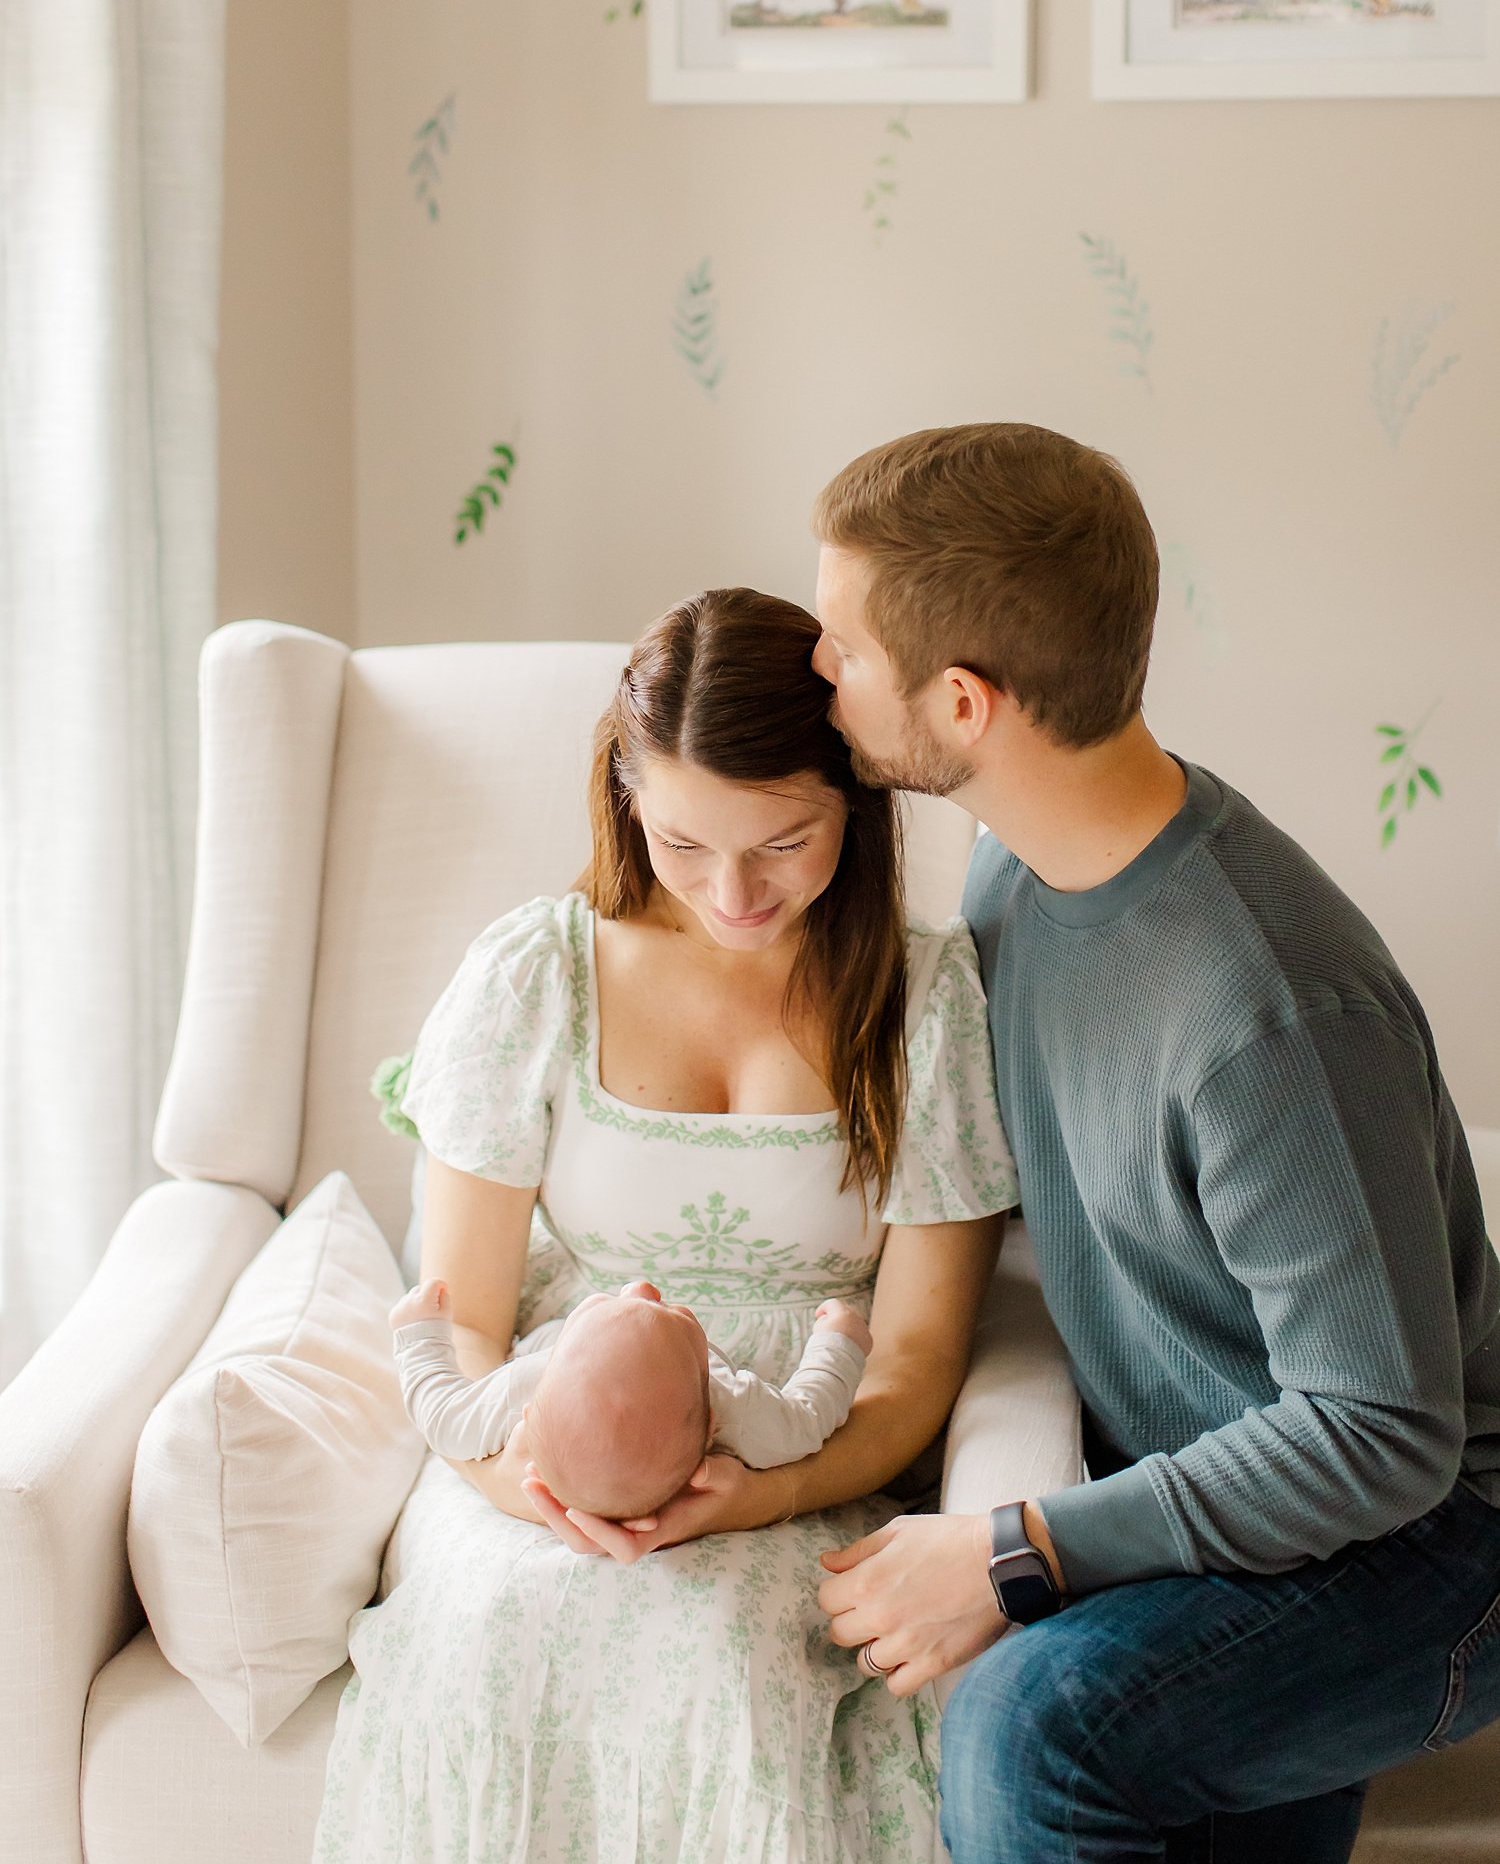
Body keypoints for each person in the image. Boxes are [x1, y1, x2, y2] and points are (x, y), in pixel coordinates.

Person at [809, 423, 1500, 1864]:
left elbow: (1382, 1436)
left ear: (962, 700)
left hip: (1428, 1546)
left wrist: (1021, 1547)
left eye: (842, 647)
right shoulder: (1015, 871)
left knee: (1030, 1721)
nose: (821, 671)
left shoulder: (1269, 1008)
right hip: (1239, 1502)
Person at [312, 584, 1018, 1864]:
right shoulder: (537, 976)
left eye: (782, 842)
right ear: (628, 800)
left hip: (806, 1444)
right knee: (509, 1632)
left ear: (855, 802)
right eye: (684, 844)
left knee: (723, 1660)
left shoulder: (927, 1003)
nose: (733, 892)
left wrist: (762, 1493)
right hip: (537, 1441)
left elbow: (914, 1365)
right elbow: (459, 1321)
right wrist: (546, 1496)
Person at [388, 1271, 874, 1501]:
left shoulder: (526, 1384)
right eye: (679, 1317)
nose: (641, 1286)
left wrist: (417, 1336)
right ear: (711, 1427)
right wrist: (839, 1345)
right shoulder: (730, 1402)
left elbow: (442, 1414)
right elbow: (809, 1417)